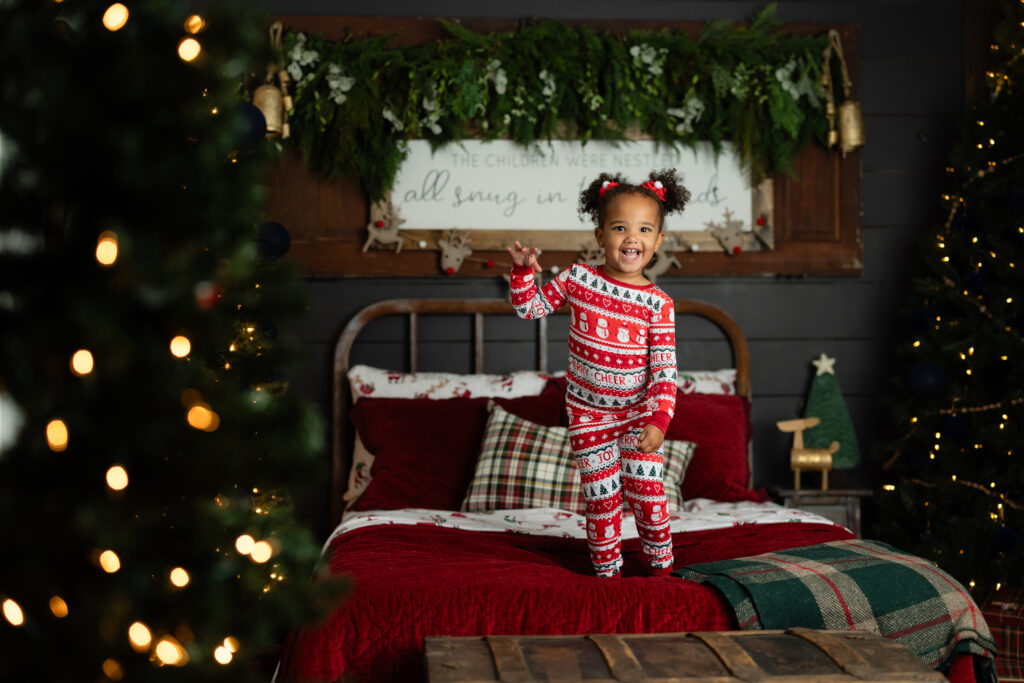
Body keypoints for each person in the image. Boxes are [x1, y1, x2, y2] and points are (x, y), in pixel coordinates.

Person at [507, 169, 690, 578]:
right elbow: (529, 308)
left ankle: (661, 569)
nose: (632, 238)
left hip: (640, 416)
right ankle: (607, 574)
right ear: (599, 235)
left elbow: (664, 370)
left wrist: (660, 421)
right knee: (602, 497)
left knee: (647, 495)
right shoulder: (579, 280)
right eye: (620, 227)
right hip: (588, 415)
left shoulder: (659, 304)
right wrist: (523, 274)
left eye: (644, 229)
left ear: (658, 241)